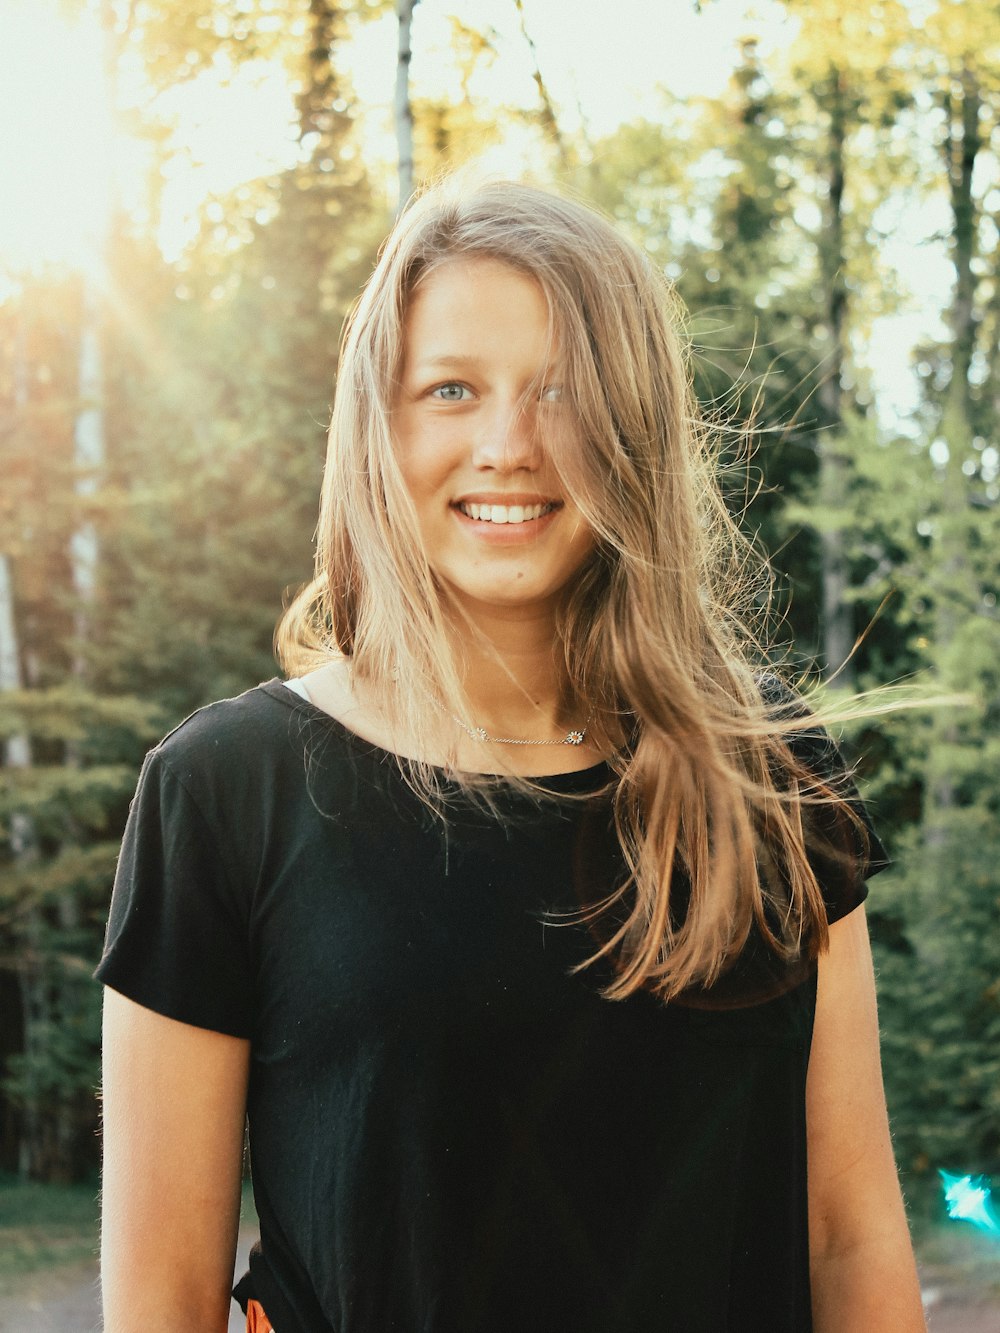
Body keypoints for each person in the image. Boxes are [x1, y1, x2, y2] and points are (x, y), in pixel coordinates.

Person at [97, 178, 926, 1332]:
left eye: (561, 394)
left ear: (632, 426)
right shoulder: (226, 793)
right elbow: (160, 1301)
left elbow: (849, 1238)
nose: (507, 445)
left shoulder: (770, 776)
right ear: (377, 425)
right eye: (451, 389)